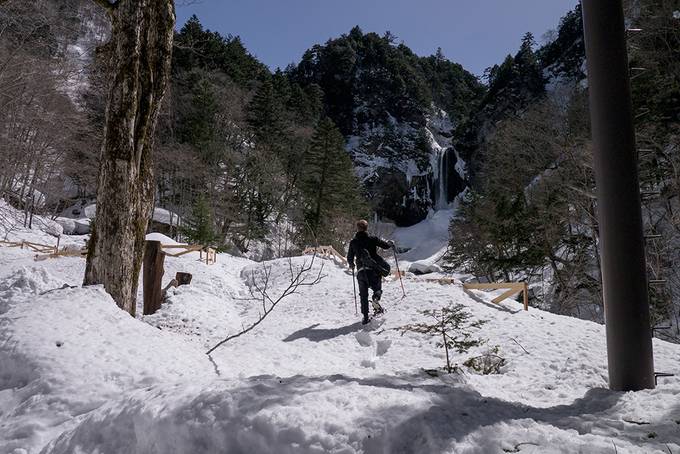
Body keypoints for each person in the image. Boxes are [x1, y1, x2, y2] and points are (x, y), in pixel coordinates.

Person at [347, 219, 394, 324]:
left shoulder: (353, 242)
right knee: (377, 288)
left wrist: (352, 264)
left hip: (360, 272)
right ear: (366, 228)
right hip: (373, 270)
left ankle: (365, 317)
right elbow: (385, 246)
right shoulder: (372, 239)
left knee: (363, 295)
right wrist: (390, 244)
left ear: (357, 229)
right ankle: (376, 298)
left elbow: (349, 257)